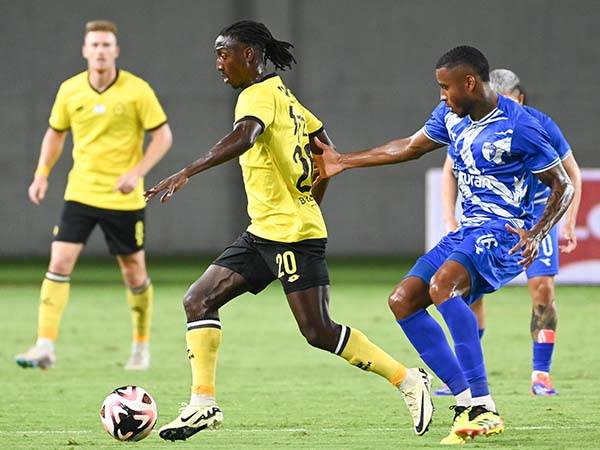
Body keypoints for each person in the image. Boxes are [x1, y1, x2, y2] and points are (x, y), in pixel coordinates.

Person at [144, 20, 433, 442]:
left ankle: (408, 379)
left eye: (224, 54)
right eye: (216, 55)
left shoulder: (256, 97)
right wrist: (311, 199)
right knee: (198, 300)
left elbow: (246, 136)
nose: (219, 64)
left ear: (249, 55)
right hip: (264, 232)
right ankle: (202, 403)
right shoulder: (287, 97)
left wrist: (188, 170)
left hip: (292, 237)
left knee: (319, 332)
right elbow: (326, 154)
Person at [312, 46, 574, 444]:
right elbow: (409, 146)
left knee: (443, 286)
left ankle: (483, 408)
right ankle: (466, 401)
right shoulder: (451, 116)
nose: (441, 95)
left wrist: (538, 232)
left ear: (469, 83)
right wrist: (344, 160)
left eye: (445, 87)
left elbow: (563, 185)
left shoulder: (520, 126)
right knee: (402, 300)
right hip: (468, 230)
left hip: (504, 231)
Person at [15, 20, 173, 371]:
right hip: (81, 193)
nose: (100, 51)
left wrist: (137, 172)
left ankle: (141, 346)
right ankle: (45, 345)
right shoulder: (70, 90)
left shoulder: (137, 90)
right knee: (59, 262)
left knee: (133, 273)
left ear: (116, 51)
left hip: (123, 198)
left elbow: (163, 136)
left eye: (106, 45)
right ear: (85, 50)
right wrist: (41, 174)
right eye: (95, 45)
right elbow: (55, 134)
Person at [434, 68, 582, 397]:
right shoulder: (472, 122)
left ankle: (541, 374)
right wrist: (449, 218)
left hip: (536, 218)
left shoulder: (538, 125)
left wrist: (568, 222)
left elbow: (570, 173)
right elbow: (450, 170)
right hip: (490, 219)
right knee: (467, 293)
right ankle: (465, 373)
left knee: (542, 289)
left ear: (520, 99)